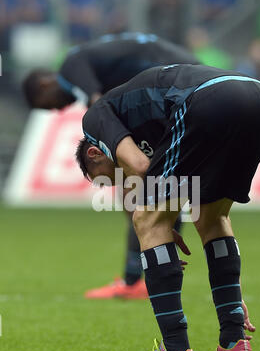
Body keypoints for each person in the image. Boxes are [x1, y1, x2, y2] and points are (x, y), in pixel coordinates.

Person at [76, 63, 260, 351]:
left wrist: (158, 221)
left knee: (146, 220)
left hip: (209, 100)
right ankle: (234, 342)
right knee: (212, 217)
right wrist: (230, 296)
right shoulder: (147, 125)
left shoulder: (94, 119)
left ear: (95, 153)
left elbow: (140, 165)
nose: (122, 183)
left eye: (114, 176)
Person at [22, 32, 200, 300]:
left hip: (180, 85)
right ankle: (151, 271)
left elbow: (99, 107)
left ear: (45, 85)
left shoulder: (71, 66)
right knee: (158, 189)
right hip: (188, 82)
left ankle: (135, 280)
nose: (57, 111)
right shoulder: (91, 59)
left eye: (48, 106)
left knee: (135, 192)